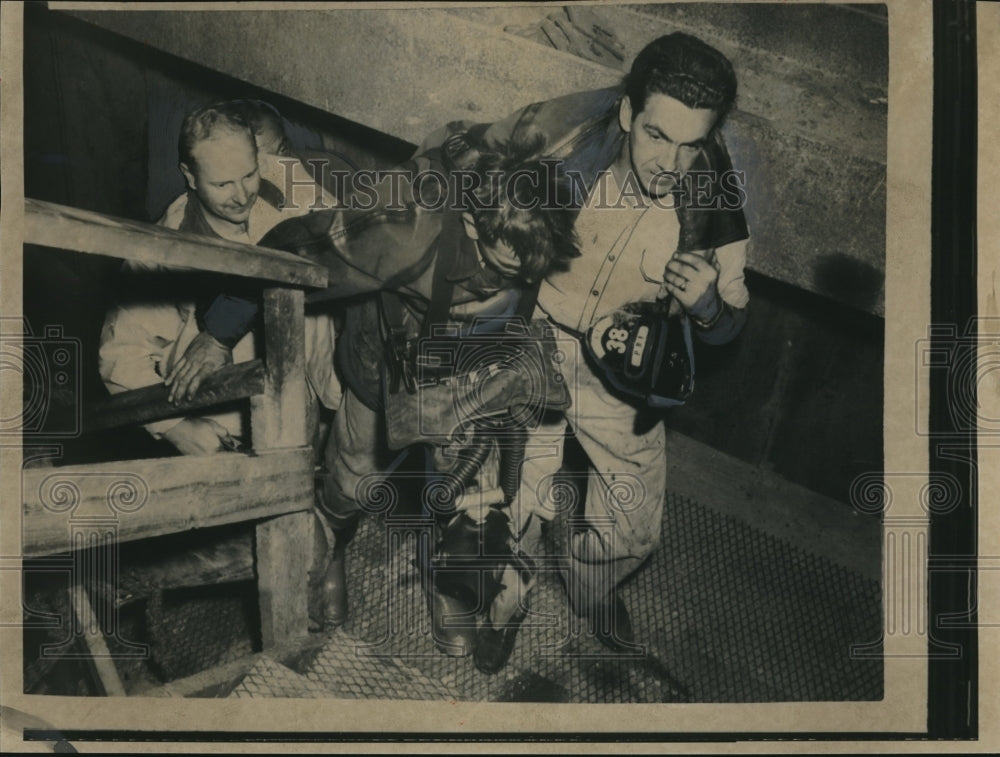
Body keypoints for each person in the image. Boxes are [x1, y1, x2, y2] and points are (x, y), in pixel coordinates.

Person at [410, 32, 751, 654]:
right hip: (535, 342)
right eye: (656, 136)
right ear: (627, 114)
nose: (669, 165)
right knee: (501, 491)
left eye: (690, 144)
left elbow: (732, 323)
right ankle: (496, 585)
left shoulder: (711, 205)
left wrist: (706, 308)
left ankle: (588, 581)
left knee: (632, 530)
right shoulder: (560, 150)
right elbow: (448, 163)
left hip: (624, 375)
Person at [99, 102, 341, 456]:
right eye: (223, 184)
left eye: (248, 175)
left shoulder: (288, 189)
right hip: (221, 433)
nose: (242, 195)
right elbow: (120, 353)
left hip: (307, 420)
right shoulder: (165, 247)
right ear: (190, 175)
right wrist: (176, 428)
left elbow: (346, 235)